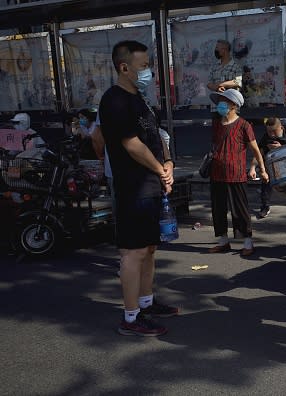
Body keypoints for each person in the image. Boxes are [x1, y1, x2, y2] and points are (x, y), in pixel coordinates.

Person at [99, 40, 178, 337]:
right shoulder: (114, 100)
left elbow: (157, 136)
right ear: (124, 67)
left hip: (152, 185)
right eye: (144, 66)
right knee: (133, 253)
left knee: (149, 248)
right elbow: (131, 144)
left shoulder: (142, 100)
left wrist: (168, 163)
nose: (149, 72)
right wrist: (160, 170)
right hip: (133, 188)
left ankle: (146, 302)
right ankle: (131, 318)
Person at [208, 89, 268, 257]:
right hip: (217, 173)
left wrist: (260, 169)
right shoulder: (216, 123)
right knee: (218, 208)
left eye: (223, 100)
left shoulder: (244, 125)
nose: (219, 103)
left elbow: (256, 150)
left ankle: (247, 242)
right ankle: (223, 241)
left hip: (236, 173)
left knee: (240, 210)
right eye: (219, 100)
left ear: (234, 105)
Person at [249, 117, 286, 218]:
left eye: (274, 131)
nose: (271, 134)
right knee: (265, 179)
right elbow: (259, 153)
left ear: (281, 127)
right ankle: (265, 206)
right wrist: (252, 167)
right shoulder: (266, 138)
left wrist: (282, 148)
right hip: (272, 166)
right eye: (269, 132)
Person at [206, 39, 242, 109]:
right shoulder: (215, 66)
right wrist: (217, 88)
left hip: (231, 107)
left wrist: (221, 84)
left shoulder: (236, 65)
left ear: (224, 50)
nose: (215, 50)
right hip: (216, 106)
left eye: (217, 48)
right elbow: (209, 84)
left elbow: (238, 81)